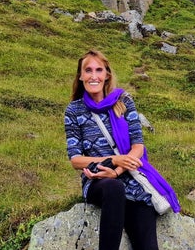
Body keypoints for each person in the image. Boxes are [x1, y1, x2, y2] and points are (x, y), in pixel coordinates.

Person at [64, 50, 181, 250]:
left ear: (107, 74)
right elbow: (76, 160)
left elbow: (138, 147)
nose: (94, 76)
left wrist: (118, 170)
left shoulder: (124, 102)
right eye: (88, 70)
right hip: (97, 181)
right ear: (81, 76)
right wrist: (114, 161)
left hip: (132, 181)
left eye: (99, 70)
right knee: (113, 188)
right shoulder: (73, 110)